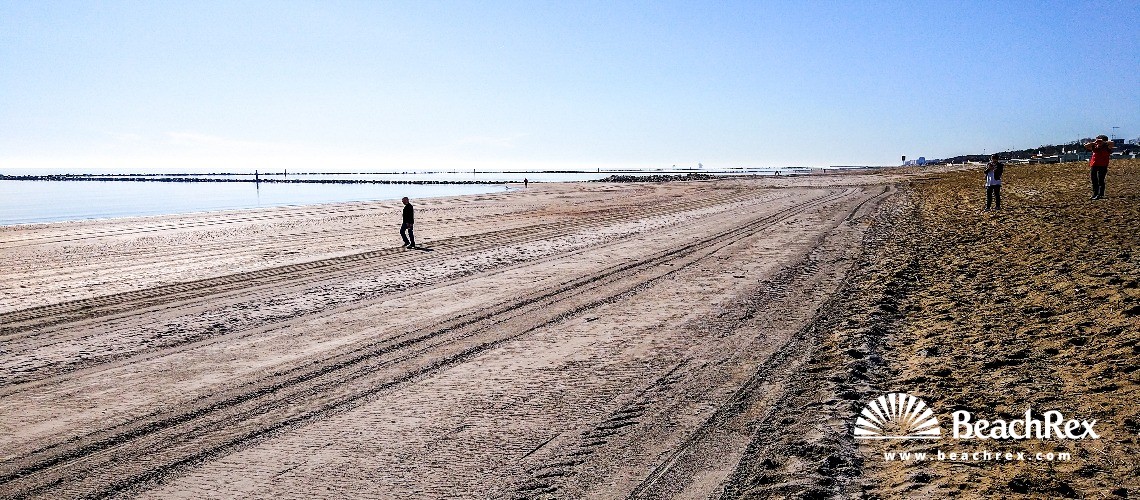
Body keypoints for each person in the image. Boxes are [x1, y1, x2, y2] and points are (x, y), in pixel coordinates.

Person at [1082, 135, 1114, 200]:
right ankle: (1095, 193)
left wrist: (1103, 142)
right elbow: (1086, 146)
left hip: (1103, 165)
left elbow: (1112, 143)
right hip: (1094, 165)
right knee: (1094, 180)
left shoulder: (1107, 147)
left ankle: (1101, 194)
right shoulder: (1094, 147)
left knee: (1101, 180)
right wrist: (1094, 142)